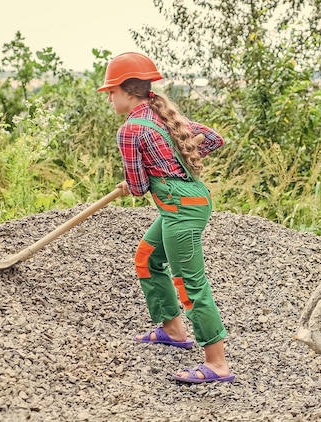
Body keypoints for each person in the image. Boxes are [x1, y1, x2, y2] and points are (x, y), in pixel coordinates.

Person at [97, 52, 234, 383]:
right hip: (189, 202)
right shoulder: (166, 116)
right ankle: (173, 329)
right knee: (147, 257)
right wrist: (180, 158)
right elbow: (215, 138)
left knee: (190, 283)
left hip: (180, 210)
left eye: (111, 92)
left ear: (127, 92)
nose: (110, 98)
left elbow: (140, 187)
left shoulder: (130, 130)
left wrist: (140, 179)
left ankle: (217, 363)